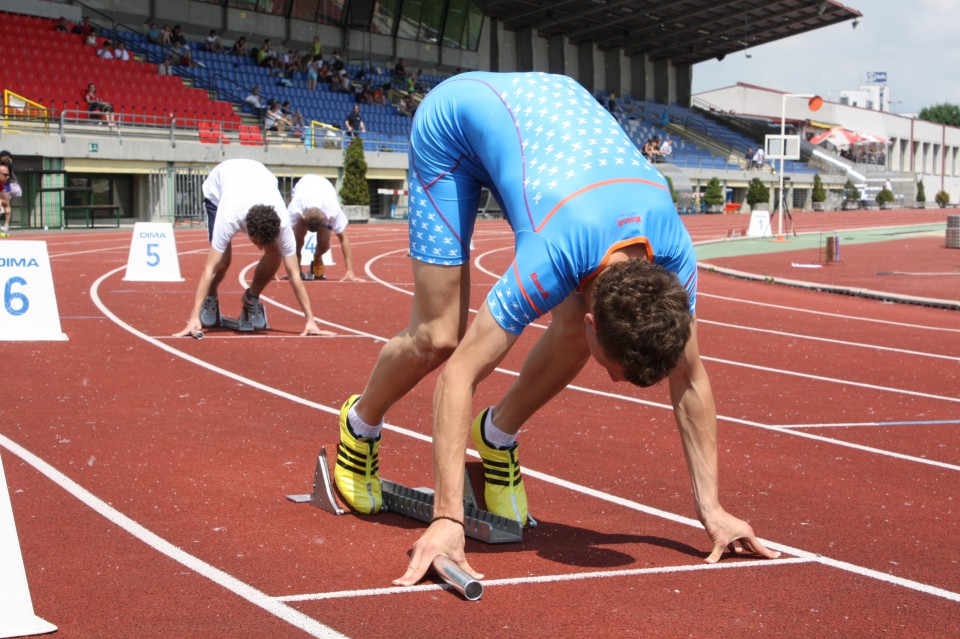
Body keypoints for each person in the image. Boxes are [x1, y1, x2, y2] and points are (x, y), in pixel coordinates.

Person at [327, 71, 781, 588]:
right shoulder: (549, 257)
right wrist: (447, 519)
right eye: (614, 370)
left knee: (567, 336)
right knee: (440, 337)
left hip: (556, 135)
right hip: (455, 126)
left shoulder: (672, 254)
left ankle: (496, 437)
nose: (612, 381)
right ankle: (359, 423)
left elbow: (690, 377)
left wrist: (712, 509)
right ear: (596, 319)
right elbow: (458, 378)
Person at [173, 159, 330, 339]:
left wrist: (310, 320)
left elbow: (294, 273)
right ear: (250, 232)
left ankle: (251, 297)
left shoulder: (283, 224)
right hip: (220, 187)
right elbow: (209, 268)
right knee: (223, 261)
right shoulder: (229, 216)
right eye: (259, 243)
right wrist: (194, 316)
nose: (260, 248)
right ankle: (211, 296)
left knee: (276, 253)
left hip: (260, 177)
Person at [287, 175, 364, 282]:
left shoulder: (331, 209)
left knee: (324, 244)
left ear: (323, 219)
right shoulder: (295, 207)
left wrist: (350, 271)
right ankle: (297, 267)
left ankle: (317, 256)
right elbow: (281, 234)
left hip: (325, 187)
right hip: (303, 184)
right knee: (296, 240)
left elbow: (343, 238)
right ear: (302, 216)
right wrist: (273, 269)